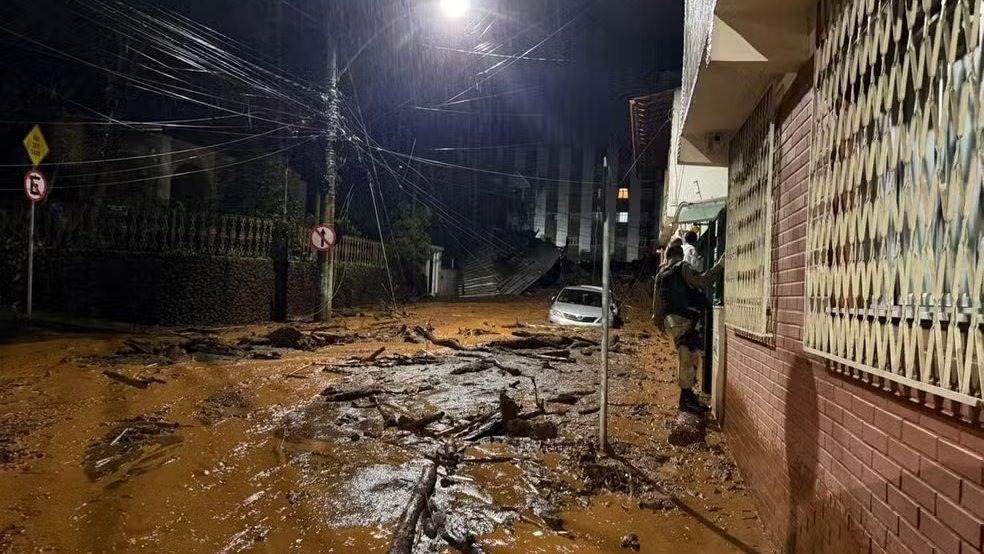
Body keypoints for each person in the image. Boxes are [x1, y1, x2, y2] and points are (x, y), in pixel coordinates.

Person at [653, 244, 724, 413]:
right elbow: (701, 281)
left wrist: (658, 323)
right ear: (680, 256)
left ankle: (688, 395)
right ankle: (686, 399)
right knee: (688, 358)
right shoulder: (683, 267)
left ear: (668, 256)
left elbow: (657, 303)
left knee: (688, 357)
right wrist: (719, 266)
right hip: (686, 320)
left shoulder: (661, 274)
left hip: (671, 322)